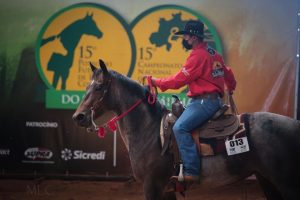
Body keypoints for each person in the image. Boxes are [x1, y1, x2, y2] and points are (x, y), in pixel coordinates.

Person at [148, 20, 236, 183]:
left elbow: (177, 81)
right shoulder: (213, 53)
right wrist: (230, 87)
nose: (185, 38)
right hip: (211, 101)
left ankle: (191, 172)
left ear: (194, 37)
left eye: (187, 35)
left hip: (204, 102)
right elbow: (228, 73)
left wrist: (155, 81)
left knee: (180, 128)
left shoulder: (197, 56)